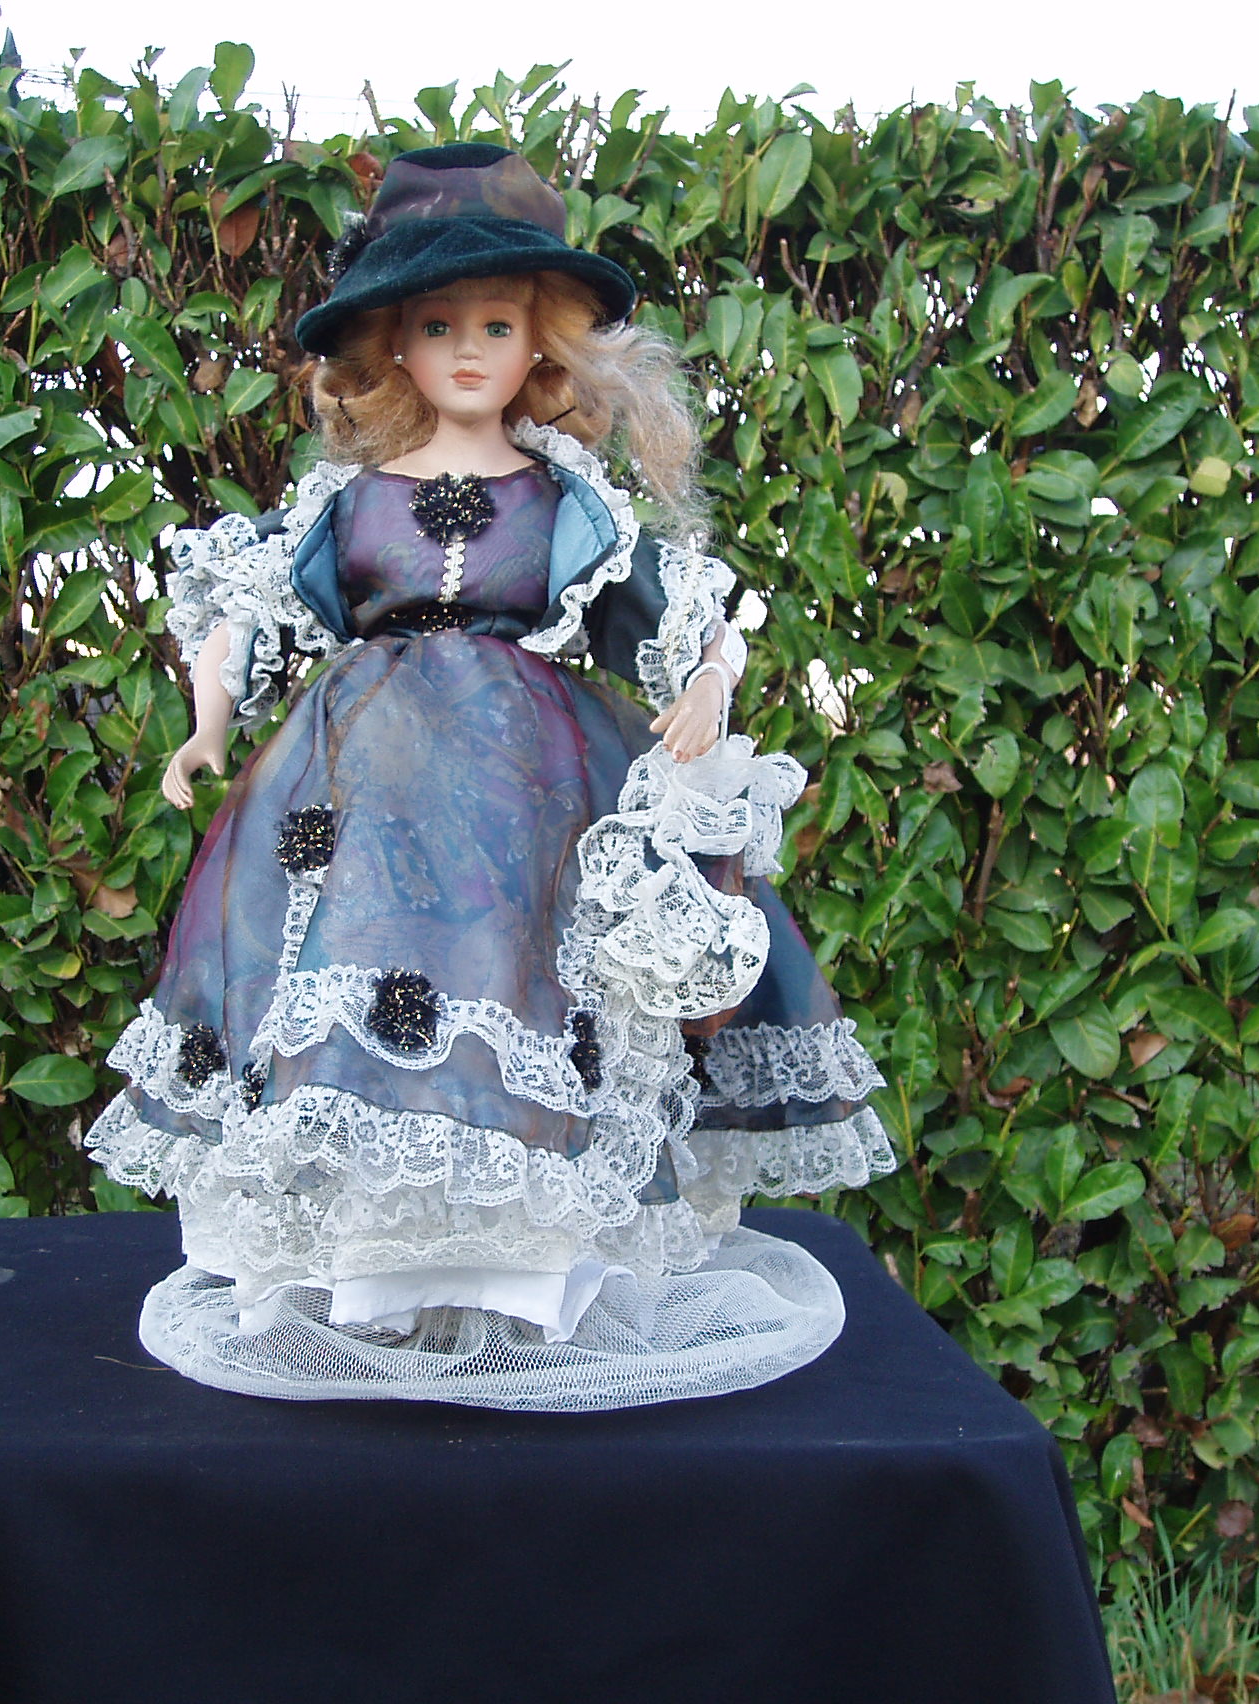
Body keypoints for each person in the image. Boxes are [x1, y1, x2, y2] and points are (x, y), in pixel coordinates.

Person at [87, 143, 895, 1409]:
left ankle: (522, 1277)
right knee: (356, 981)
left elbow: (680, 616)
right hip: (355, 784)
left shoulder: (569, 502)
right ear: (393, 349)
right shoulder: (347, 503)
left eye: (498, 327)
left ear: (540, 348)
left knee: (523, 982)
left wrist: (702, 690)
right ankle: (379, 1274)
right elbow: (251, 614)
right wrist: (207, 722)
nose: (468, 351)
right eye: (438, 326)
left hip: (530, 787)